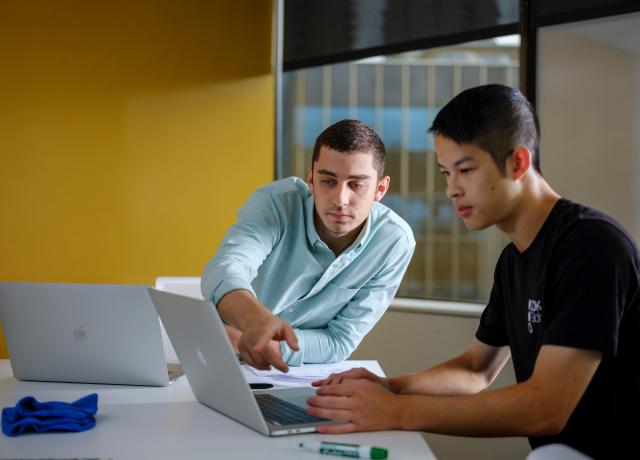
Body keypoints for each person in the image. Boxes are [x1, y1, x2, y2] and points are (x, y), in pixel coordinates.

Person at [307, 85, 639, 459]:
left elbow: (546, 409)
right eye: (447, 173)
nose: (451, 189)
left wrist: (398, 412)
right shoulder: (514, 260)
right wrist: (391, 388)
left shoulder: (592, 245)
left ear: (517, 163)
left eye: (465, 170)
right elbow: (474, 370)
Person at [201, 119, 415, 373]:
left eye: (356, 185)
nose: (340, 199)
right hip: (219, 362)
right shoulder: (276, 204)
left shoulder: (393, 242)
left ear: (380, 188)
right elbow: (225, 268)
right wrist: (253, 320)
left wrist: (264, 344)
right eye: (328, 181)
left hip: (295, 373)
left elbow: (340, 341)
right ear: (311, 179)